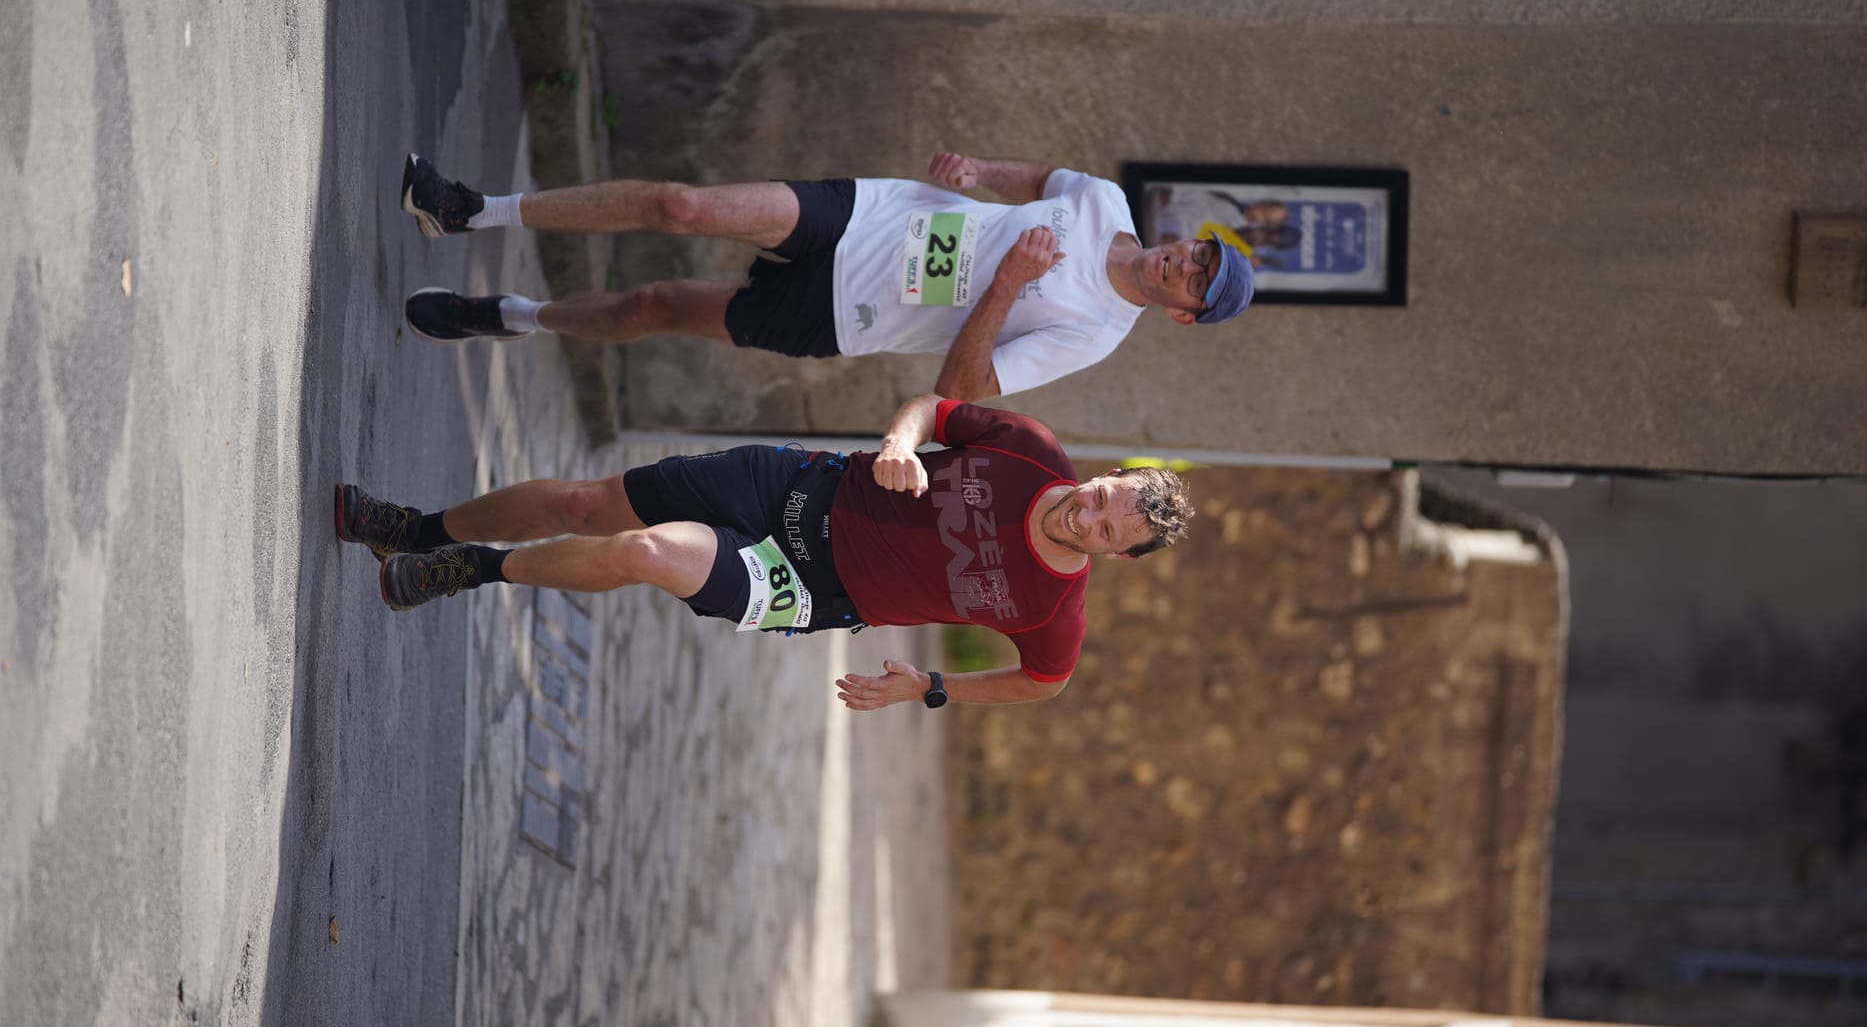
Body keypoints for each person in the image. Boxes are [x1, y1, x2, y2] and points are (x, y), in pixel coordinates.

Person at [334, 394, 1195, 710]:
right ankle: (415, 529)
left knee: (641, 551)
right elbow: (936, 410)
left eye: (1113, 529)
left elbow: (1042, 681)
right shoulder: (1031, 448)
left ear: (1119, 554)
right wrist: (899, 439)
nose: (1092, 515)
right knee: (584, 503)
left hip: (805, 586)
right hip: (790, 487)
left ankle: (471, 571)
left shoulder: (1054, 611)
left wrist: (931, 688)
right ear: (1108, 473)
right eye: (1108, 496)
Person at [395, 150, 1255, 400]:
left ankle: (515, 314)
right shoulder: (1105, 203)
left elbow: (966, 385)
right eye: (1200, 252)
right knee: (680, 204)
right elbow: (1043, 184)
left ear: (1181, 314)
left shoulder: (1096, 333)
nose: (1186, 263)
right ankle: (475, 209)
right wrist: (980, 166)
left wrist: (1003, 286)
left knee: (653, 304)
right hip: (875, 214)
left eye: (1194, 282)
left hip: (848, 314)